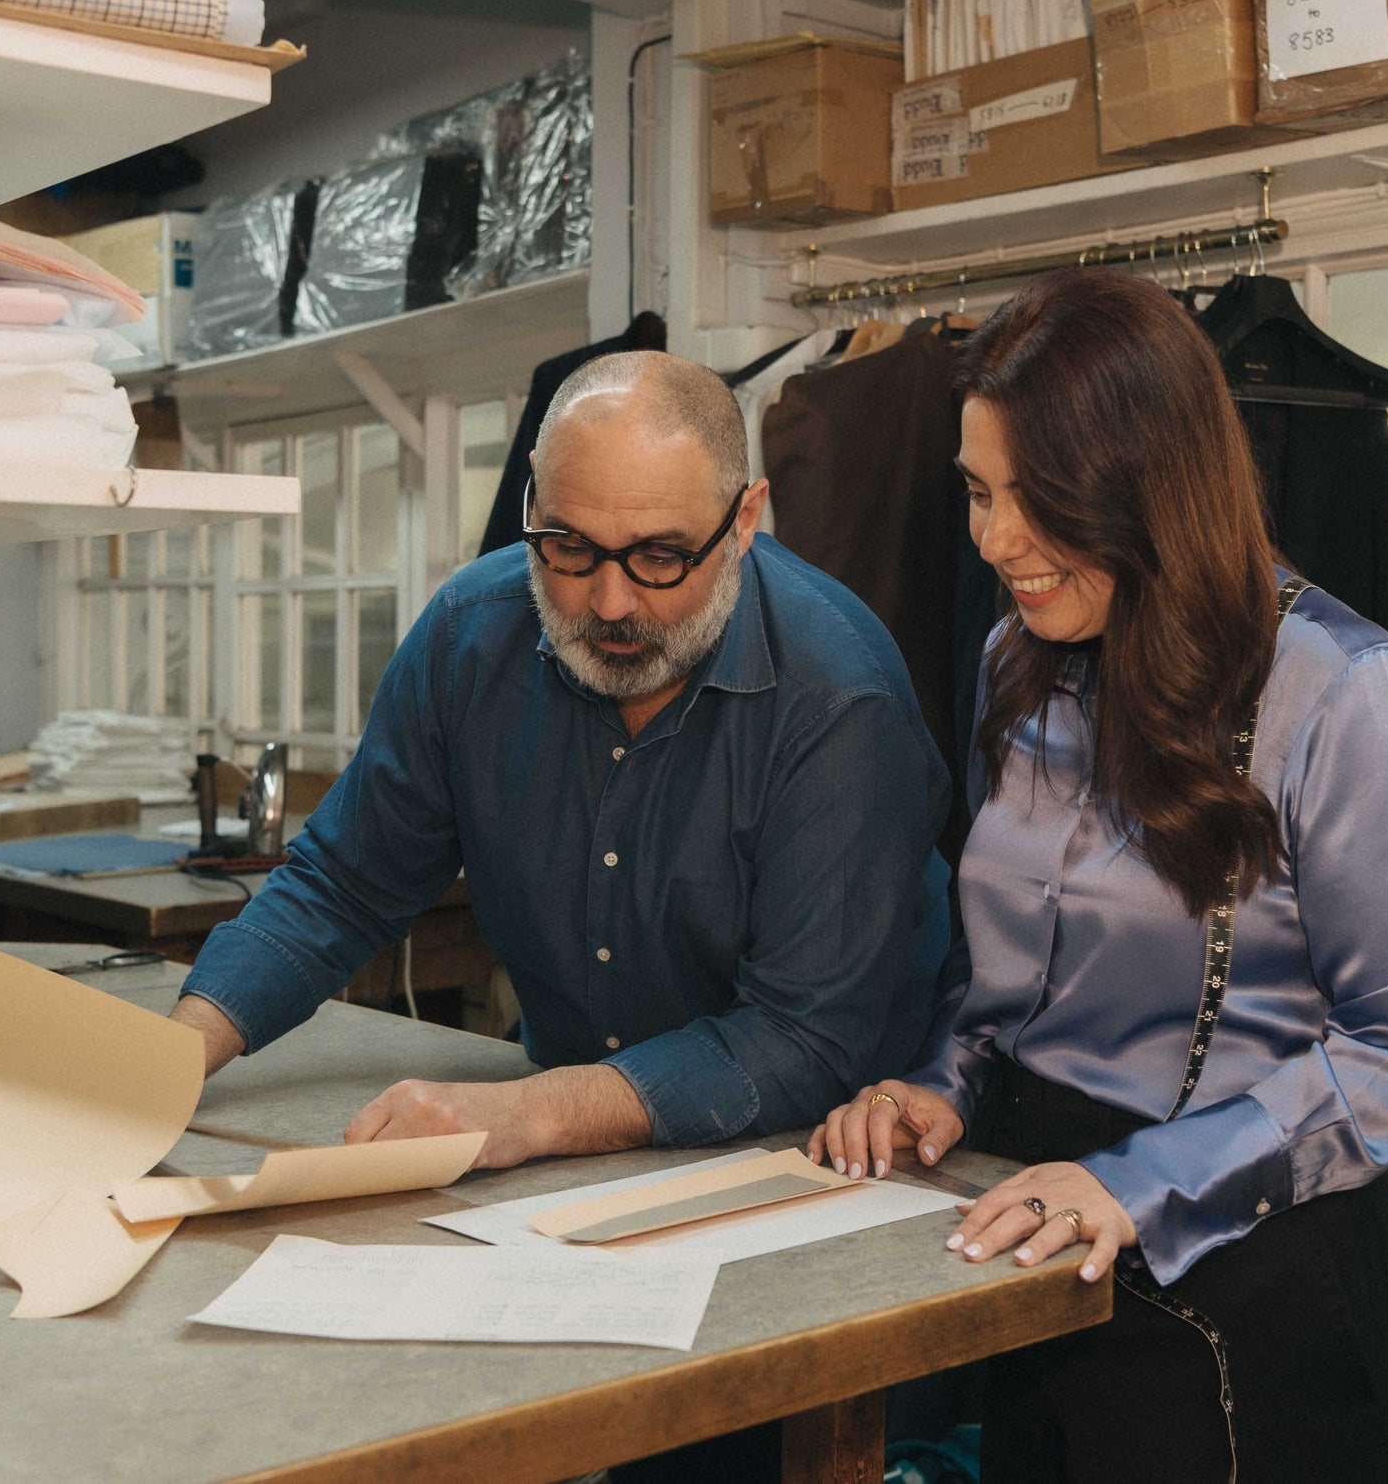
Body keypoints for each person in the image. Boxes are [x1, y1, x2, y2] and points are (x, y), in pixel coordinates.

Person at [811, 270, 1388, 1483]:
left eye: (1035, 498)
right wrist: (941, 1083)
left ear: (1145, 483)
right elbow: (1001, 975)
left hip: (1264, 1282)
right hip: (1044, 1246)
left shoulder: (1344, 693)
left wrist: (1141, 1184)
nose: (993, 540)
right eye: (977, 491)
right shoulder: (1018, 653)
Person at [171, 350, 952, 1175]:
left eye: (660, 556)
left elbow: (802, 1035)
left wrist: (531, 1112)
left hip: (822, 1157)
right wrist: (177, 1053)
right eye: (569, 545)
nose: (610, 603)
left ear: (746, 516)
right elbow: (345, 882)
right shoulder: (468, 638)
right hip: (576, 1139)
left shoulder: (838, 696)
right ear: (532, 493)